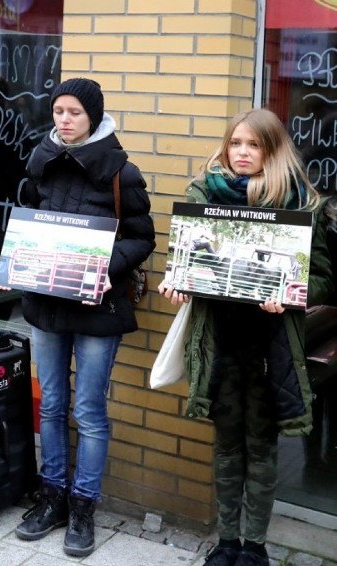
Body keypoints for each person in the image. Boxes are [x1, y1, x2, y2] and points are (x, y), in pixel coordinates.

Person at [158, 108, 333, 566]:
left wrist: (291, 294)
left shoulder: (300, 202)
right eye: (235, 143)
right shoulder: (203, 193)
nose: (241, 153)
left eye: (253, 145)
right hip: (220, 343)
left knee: (263, 446)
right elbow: (185, 264)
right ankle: (227, 542)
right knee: (226, 444)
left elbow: (323, 278)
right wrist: (177, 284)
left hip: (271, 347)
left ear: (271, 151)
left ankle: (255, 546)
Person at [12, 78, 155, 557]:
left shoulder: (121, 171)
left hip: (98, 307)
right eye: (57, 111)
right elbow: (24, 221)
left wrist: (97, 263)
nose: (64, 120)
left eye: (74, 112)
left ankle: (83, 507)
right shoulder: (39, 160)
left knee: (89, 413)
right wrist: (13, 257)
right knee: (51, 403)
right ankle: (51, 495)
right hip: (47, 303)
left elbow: (142, 238)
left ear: (92, 115)